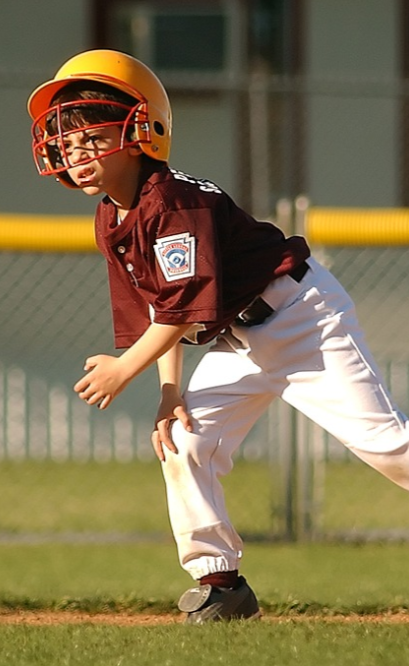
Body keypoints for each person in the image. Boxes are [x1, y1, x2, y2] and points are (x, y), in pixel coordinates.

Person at [28, 49, 409, 624]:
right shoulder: (112, 216)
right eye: (66, 142)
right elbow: (159, 310)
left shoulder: (172, 200)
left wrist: (122, 369)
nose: (75, 155)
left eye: (92, 138)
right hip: (237, 337)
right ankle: (222, 585)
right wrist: (167, 392)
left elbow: (183, 307)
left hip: (302, 319)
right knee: (184, 442)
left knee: (387, 448)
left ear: (140, 131)